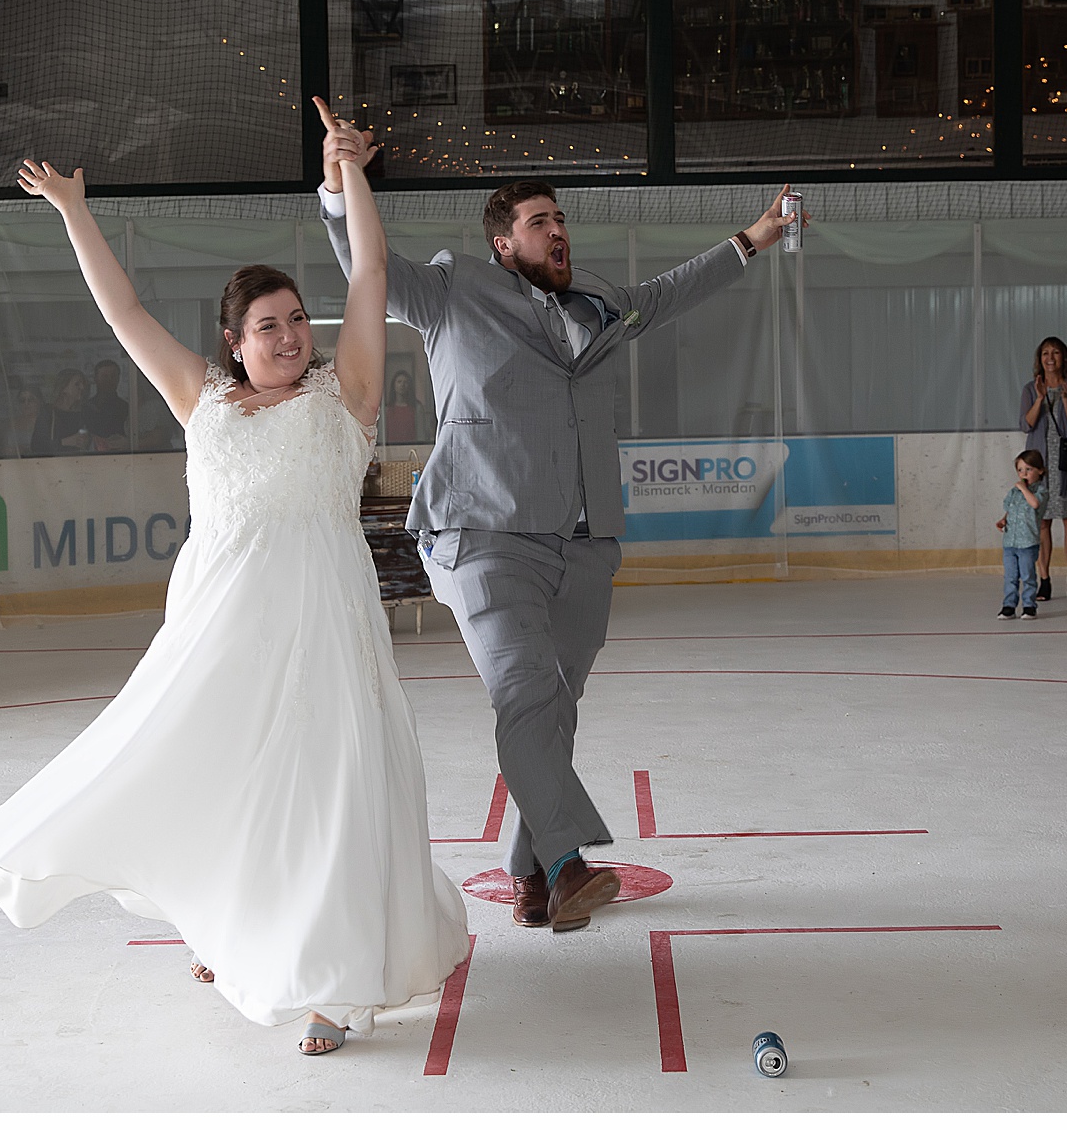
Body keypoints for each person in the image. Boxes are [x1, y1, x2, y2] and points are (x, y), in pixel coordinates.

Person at [0, 116, 468, 1058]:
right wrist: (75, 213)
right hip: (215, 640)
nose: (290, 335)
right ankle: (230, 927)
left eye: (296, 320)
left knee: (331, 797)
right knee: (221, 788)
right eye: (269, 325)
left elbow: (370, 277)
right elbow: (123, 313)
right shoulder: (200, 396)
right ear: (234, 340)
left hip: (324, 638)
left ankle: (333, 985)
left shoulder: (348, 394)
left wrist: (346, 176)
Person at [316, 100, 794, 934]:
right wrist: (341, 181)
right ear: (504, 243)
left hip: (582, 542)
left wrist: (751, 240)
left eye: (561, 219)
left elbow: (671, 293)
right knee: (526, 689)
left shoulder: (601, 302)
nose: (558, 231)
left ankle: (527, 873)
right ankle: (571, 865)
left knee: (553, 706)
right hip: (482, 531)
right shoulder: (455, 288)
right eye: (540, 222)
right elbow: (370, 269)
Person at [1021, 336, 1067, 602]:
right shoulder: (1030, 388)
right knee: (1042, 524)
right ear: (1040, 359)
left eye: (1056, 353)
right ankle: (1045, 580)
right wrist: (1040, 399)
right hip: (1040, 464)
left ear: (1065, 358)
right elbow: (1026, 424)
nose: (1051, 358)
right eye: (1045, 353)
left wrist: (1065, 398)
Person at [996, 451, 1046, 618]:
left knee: (1027, 575)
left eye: (1029, 469)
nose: (1023, 474)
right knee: (1010, 576)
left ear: (1040, 470)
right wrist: (1004, 520)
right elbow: (1011, 509)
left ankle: (1029, 605)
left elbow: (1034, 504)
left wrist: (1024, 488)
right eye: (1020, 470)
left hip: (1027, 543)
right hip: (1010, 541)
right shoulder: (1014, 491)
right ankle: (1009, 605)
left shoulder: (1040, 491)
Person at [84, 357, 129, 450]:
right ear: (95, 378)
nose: (109, 380)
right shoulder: (85, 407)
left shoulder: (126, 408)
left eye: (113, 376)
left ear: (118, 379)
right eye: (104, 376)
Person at [384, 366, 420, 444]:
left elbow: (421, 435)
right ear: (394, 385)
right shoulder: (386, 410)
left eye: (405, 382)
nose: (402, 385)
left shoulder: (417, 408)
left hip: (413, 449)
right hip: (390, 450)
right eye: (399, 382)